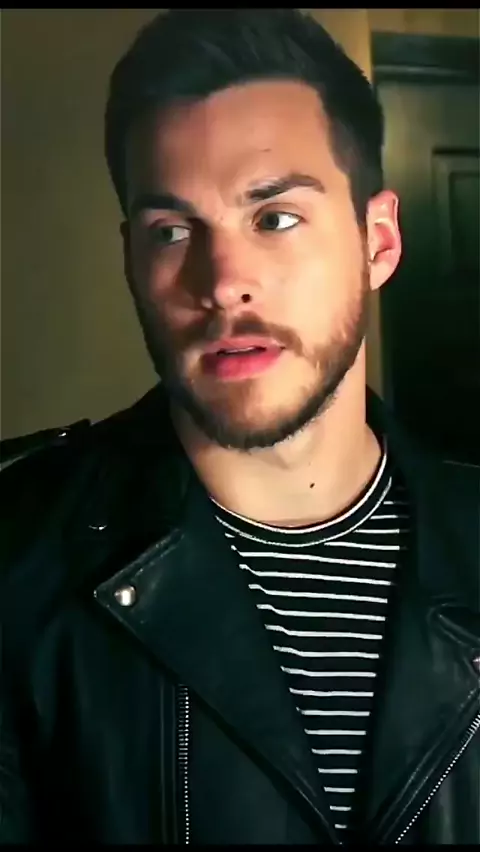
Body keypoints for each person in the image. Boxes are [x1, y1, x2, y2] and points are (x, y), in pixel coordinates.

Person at [1, 8, 479, 845]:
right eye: (172, 231)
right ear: (131, 259)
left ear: (377, 241)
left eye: (275, 218)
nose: (222, 283)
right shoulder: (18, 563)